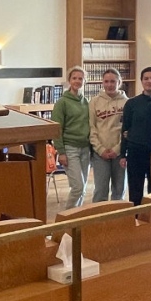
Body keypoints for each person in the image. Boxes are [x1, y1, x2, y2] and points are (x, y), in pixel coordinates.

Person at [50, 67, 93, 208]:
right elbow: (56, 128)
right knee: (78, 188)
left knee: (83, 188)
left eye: (80, 78)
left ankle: (76, 219)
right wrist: (61, 152)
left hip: (85, 148)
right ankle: (65, 219)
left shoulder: (86, 102)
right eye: (74, 78)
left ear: (84, 81)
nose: (77, 81)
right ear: (69, 80)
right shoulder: (62, 102)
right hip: (70, 149)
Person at [121, 66, 151, 204]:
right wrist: (122, 154)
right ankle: (136, 218)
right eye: (146, 78)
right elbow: (125, 128)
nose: (149, 81)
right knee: (135, 188)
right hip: (135, 151)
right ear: (141, 81)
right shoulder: (132, 103)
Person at [89, 68, 127, 202]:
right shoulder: (94, 102)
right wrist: (100, 149)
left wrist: (117, 149)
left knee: (119, 189)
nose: (109, 85)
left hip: (120, 153)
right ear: (102, 83)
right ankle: (99, 221)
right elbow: (91, 128)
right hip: (100, 154)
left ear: (119, 82)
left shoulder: (127, 103)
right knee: (100, 190)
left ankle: (117, 221)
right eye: (106, 81)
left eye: (113, 81)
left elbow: (127, 131)